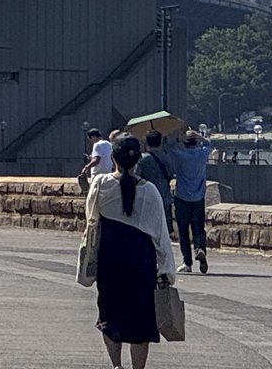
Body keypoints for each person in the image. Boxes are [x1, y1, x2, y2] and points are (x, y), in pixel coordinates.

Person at [86, 134, 174, 369]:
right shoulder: (150, 191)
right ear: (138, 161)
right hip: (141, 261)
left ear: (113, 158)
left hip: (110, 258)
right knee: (141, 318)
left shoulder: (101, 184)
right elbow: (161, 235)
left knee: (109, 314)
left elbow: (91, 221)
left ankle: (116, 365)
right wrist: (167, 270)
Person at [173, 129, 211, 274]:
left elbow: (171, 147)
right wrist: (199, 136)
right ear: (196, 142)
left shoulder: (180, 155)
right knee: (198, 228)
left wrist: (179, 138)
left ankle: (187, 262)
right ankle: (200, 248)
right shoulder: (202, 154)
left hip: (182, 197)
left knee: (183, 231)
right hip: (198, 197)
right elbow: (209, 144)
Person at [136, 131, 174, 211]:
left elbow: (137, 176)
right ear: (161, 142)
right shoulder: (167, 157)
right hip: (164, 197)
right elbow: (170, 173)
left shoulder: (142, 159)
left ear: (146, 143)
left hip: (147, 198)